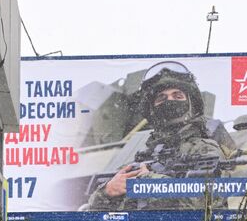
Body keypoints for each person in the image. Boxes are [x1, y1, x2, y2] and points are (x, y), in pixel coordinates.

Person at [85, 62, 237, 211]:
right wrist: (106, 192)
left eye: (177, 96)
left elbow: (202, 204)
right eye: (162, 98)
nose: (169, 101)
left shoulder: (204, 149)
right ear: (152, 108)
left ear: (191, 104)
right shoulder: (143, 156)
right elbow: (91, 214)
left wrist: (148, 182)